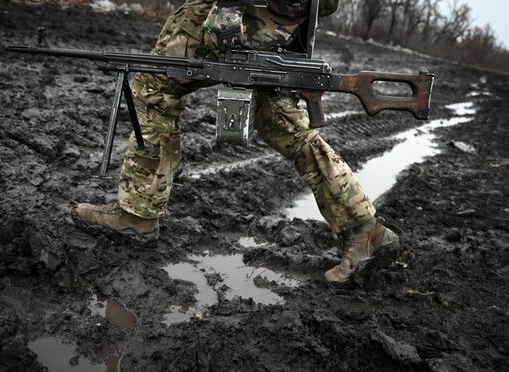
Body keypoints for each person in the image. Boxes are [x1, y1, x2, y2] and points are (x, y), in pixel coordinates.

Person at [73, 0, 399, 284]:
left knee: (154, 86)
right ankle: (363, 229)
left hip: (244, 13)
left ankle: (137, 215)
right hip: (280, 18)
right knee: (280, 122)